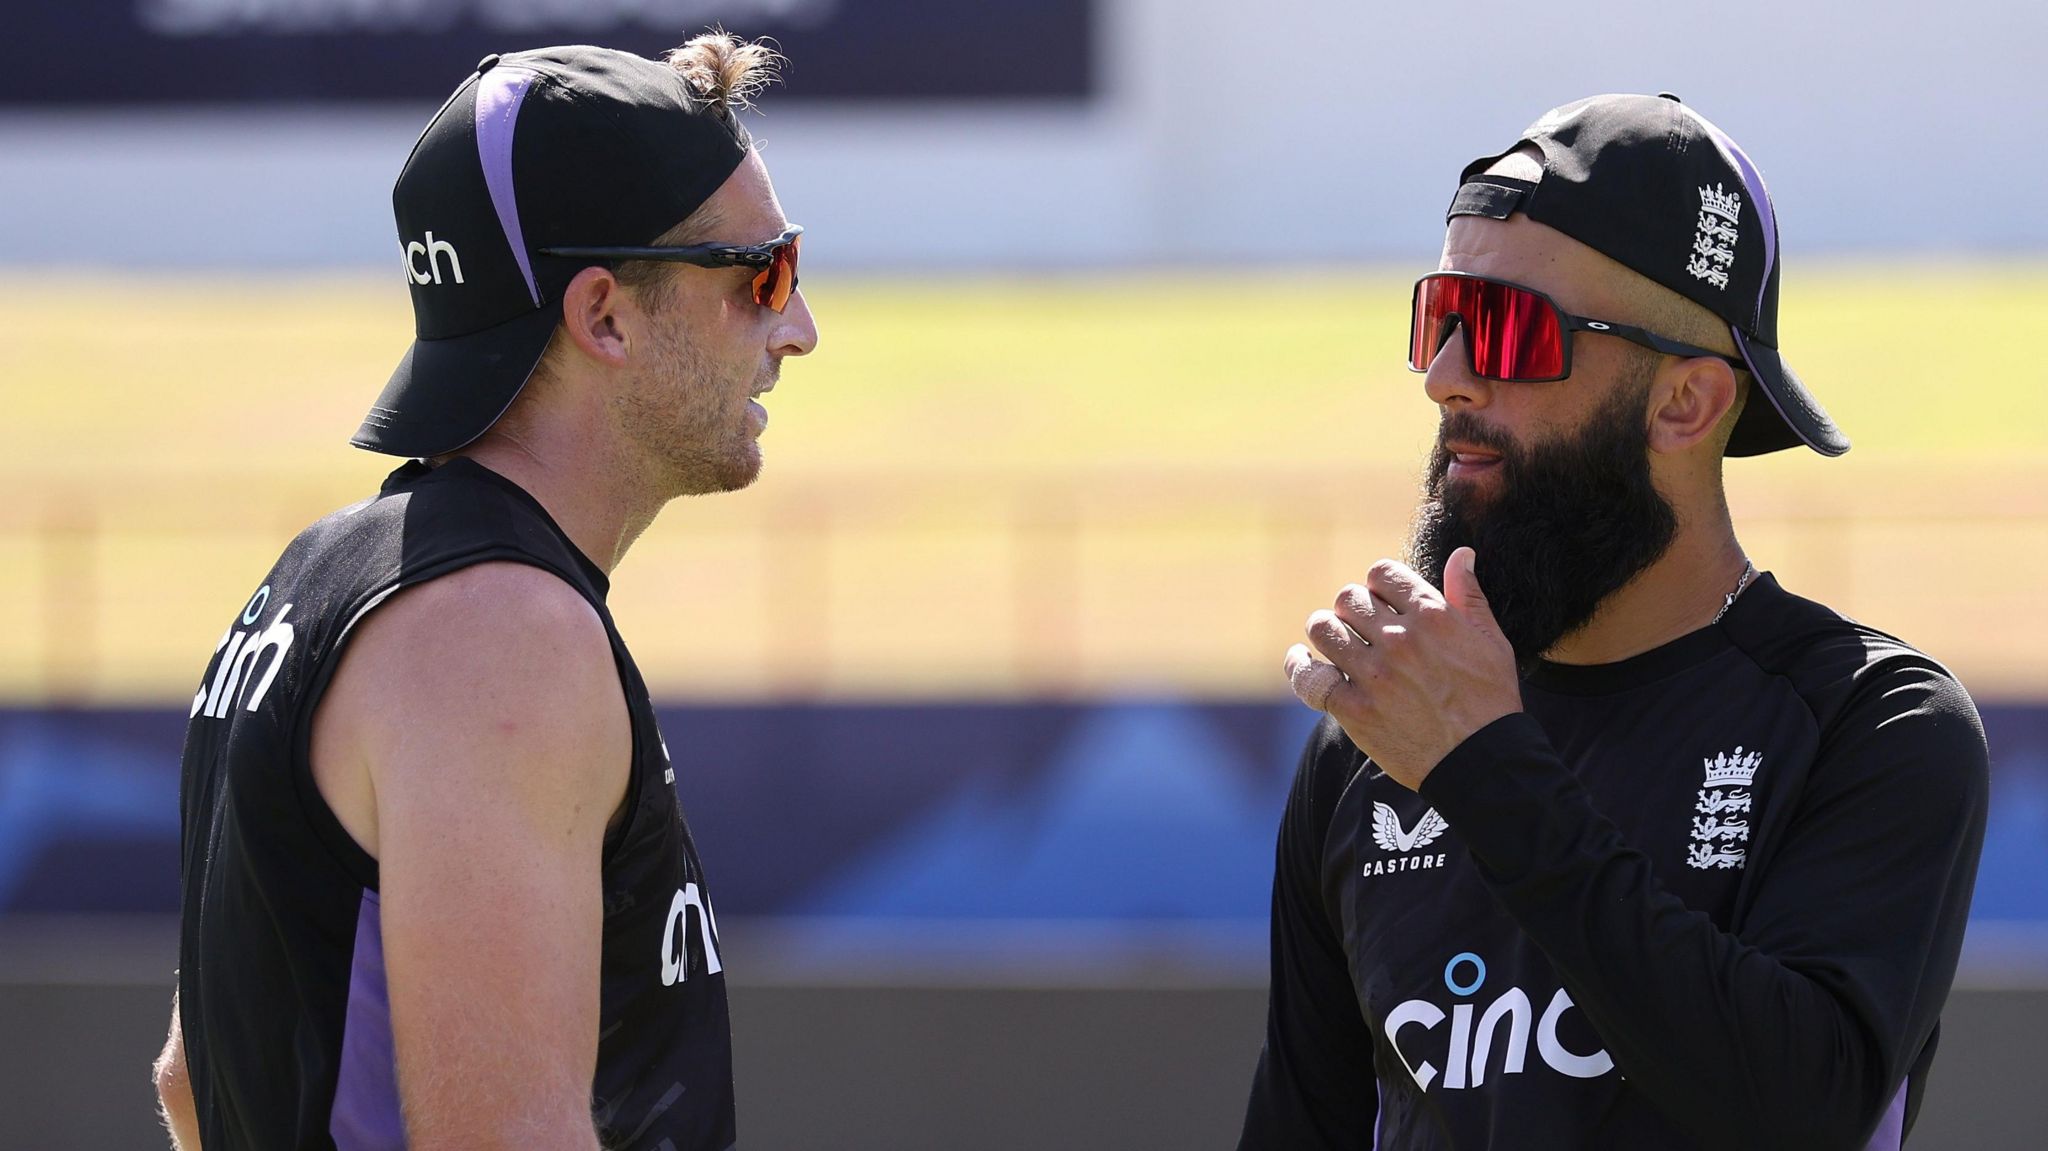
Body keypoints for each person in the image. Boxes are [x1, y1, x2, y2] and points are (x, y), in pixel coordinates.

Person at [1238, 94, 1986, 1150]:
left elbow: (1796, 1108)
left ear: (1682, 403)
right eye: (1437, 316)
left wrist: (1484, 768)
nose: (1445, 377)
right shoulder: (1373, 739)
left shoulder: (1869, 720)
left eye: (1504, 329)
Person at [151, 34, 816, 1151]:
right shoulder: (501, 633)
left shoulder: (316, 578)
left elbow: (190, 1083)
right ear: (603, 314)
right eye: (765, 274)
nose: (797, 328)